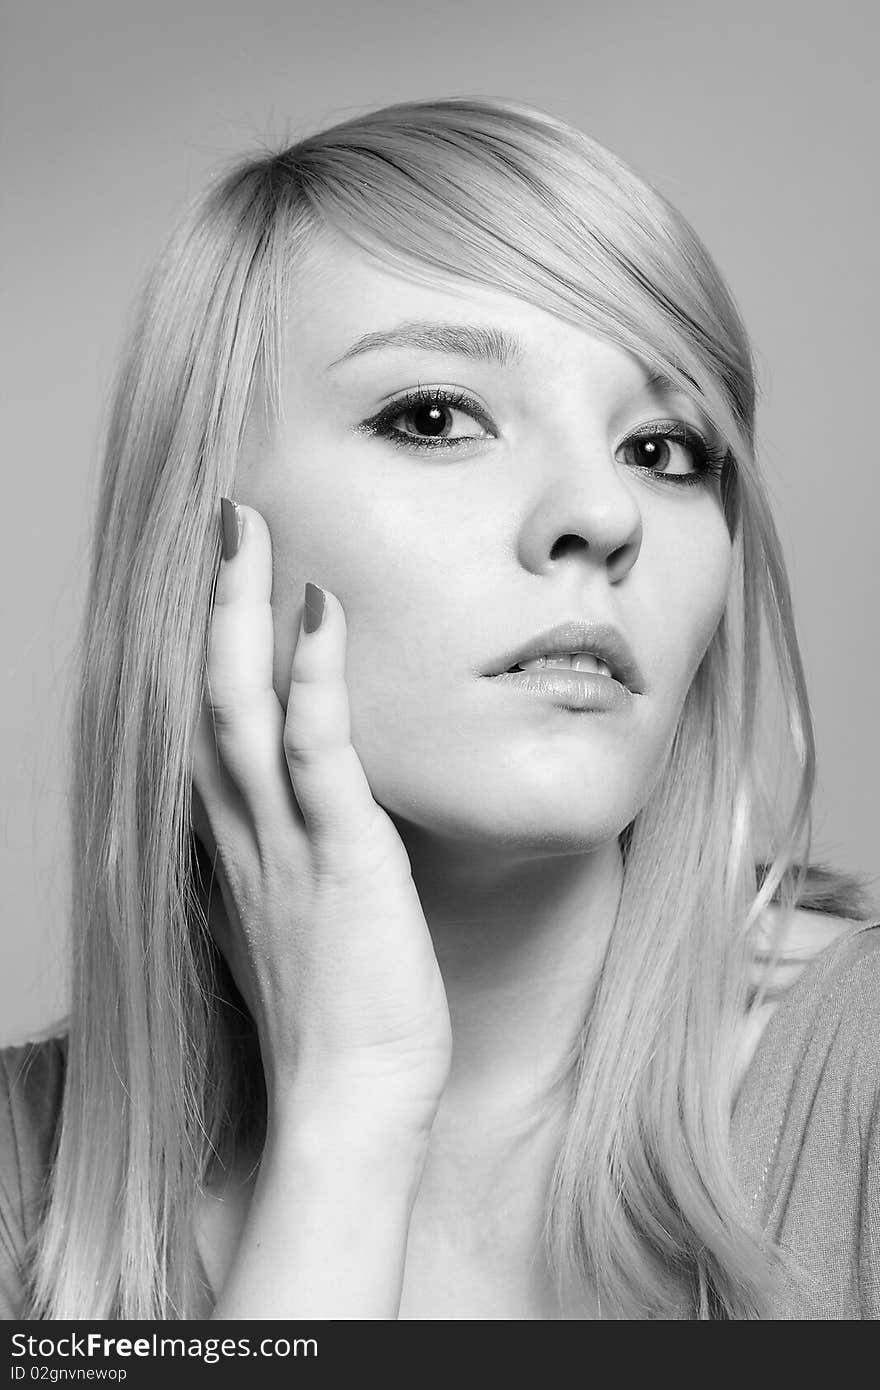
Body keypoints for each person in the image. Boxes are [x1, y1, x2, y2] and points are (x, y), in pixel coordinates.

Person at [1, 96, 877, 1322]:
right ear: (198, 544)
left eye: (666, 448)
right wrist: (347, 1116)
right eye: (433, 416)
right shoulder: (21, 1185)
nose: (606, 513)